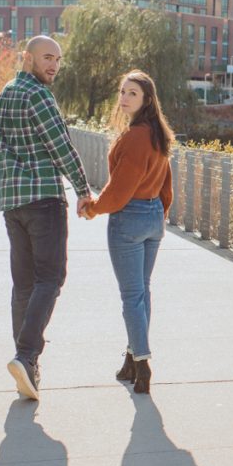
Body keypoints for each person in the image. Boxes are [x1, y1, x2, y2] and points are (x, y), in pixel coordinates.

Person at [0, 35, 92, 401]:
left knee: (24, 284)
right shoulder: (39, 95)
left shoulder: (5, 94)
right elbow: (61, 145)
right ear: (28, 58)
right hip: (44, 200)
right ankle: (26, 355)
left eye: (58, 59)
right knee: (51, 278)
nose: (54, 65)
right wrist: (83, 188)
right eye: (47, 57)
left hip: (12, 203)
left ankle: (27, 369)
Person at [81, 70, 174, 395]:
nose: (124, 98)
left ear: (147, 100)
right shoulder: (158, 134)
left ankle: (144, 363)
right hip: (152, 217)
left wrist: (93, 207)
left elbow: (120, 189)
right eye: (122, 91)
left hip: (130, 218)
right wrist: (159, 214)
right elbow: (166, 184)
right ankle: (132, 360)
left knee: (132, 296)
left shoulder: (135, 136)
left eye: (132, 93)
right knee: (142, 293)